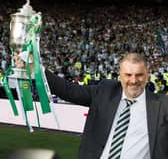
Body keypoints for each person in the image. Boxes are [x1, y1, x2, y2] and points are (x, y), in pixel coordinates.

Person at [18, 53, 168, 159]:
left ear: (147, 75)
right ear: (120, 75)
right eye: (128, 75)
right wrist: (36, 69)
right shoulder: (104, 91)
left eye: (139, 75)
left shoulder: (162, 106)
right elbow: (69, 91)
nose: (134, 80)